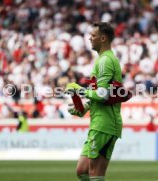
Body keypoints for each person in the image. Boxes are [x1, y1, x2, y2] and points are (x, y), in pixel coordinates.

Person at [65, 22, 123, 181]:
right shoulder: (102, 60)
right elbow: (104, 94)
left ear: (103, 38)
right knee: (82, 171)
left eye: (93, 36)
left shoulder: (105, 61)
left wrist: (79, 90)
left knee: (94, 173)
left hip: (105, 124)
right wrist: (83, 106)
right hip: (98, 122)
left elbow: (103, 94)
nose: (90, 38)